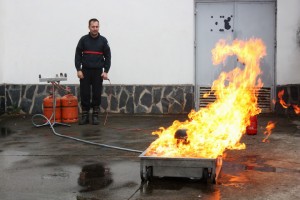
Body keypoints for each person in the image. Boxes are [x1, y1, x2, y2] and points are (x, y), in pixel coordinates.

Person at [75, 18, 111, 125]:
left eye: (97, 26)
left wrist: (106, 71)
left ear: (98, 27)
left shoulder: (103, 41)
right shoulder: (83, 40)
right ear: (89, 27)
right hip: (85, 71)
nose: (95, 29)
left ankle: (95, 116)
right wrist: (78, 69)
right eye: (93, 27)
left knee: (96, 94)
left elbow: (108, 57)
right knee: (84, 93)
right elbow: (77, 55)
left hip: (98, 72)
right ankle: (85, 116)